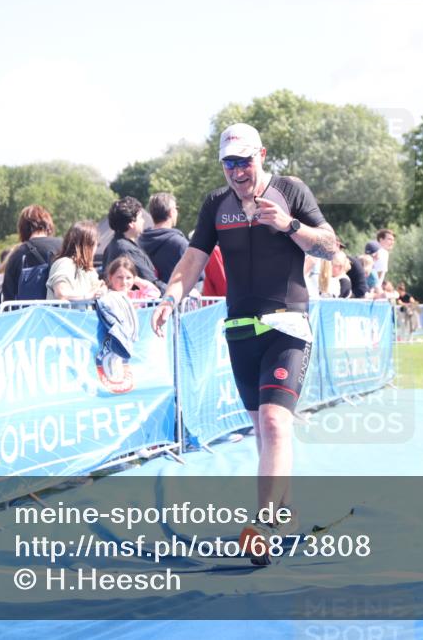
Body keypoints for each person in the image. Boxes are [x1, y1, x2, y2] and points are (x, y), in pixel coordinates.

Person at [150, 122, 337, 561]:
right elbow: (193, 259)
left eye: (244, 161)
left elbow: (331, 247)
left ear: (262, 156)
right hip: (240, 329)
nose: (237, 171)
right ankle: (281, 509)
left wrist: (290, 226)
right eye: (228, 163)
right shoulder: (216, 204)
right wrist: (170, 297)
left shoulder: (290, 192)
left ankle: (263, 525)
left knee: (274, 422)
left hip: (288, 325)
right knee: (262, 427)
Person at [2, 205, 62, 302]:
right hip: (60, 312)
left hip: (28, 314)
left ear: (22, 228)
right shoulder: (63, 246)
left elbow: (8, 296)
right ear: (48, 224)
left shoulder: (17, 254)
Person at [102, 196, 160, 285]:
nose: (143, 221)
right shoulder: (127, 250)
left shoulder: (112, 246)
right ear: (131, 224)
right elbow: (151, 282)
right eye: (140, 217)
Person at [46, 221, 106, 300]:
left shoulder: (88, 270)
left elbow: (98, 288)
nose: (96, 249)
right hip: (63, 312)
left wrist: (102, 289)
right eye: (96, 244)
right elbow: (61, 293)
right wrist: (89, 295)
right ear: (87, 245)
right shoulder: (64, 263)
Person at [138, 192, 189, 283]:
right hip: (174, 295)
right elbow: (197, 278)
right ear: (171, 212)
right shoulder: (179, 243)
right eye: (176, 209)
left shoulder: (138, 242)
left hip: (148, 295)